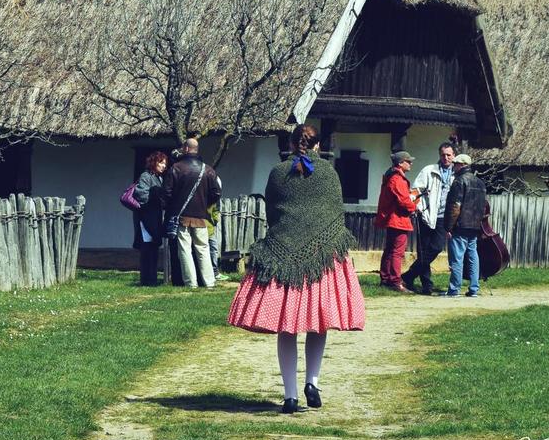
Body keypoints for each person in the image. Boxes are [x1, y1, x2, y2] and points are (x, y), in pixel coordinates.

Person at [228, 125, 366, 414]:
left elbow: (272, 212)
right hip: (321, 258)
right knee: (319, 323)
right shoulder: (328, 173)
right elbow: (336, 212)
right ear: (317, 145)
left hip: (283, 257)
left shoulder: (278, 172)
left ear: (291, 144)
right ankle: (312, 382)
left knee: (286, 327)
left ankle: (290, 396)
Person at [161, 137, 221, 288]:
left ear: (186, 149)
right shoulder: (208, 170)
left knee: (185, 250)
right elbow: (216, 193)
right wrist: (204, 204)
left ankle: (191, 283)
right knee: (203, 249)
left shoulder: (176, 168)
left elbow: (166, 193)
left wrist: (173, 206)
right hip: (201, 217)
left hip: (182, 217)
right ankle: (209, 282)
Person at [401, 142, 456, 295]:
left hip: (443, 217)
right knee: (423, 250)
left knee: (436, 248)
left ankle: (408, 275)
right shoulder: (429, 170)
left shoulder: (456, 174)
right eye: (443, 155)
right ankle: (427, 286)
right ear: (439, 155)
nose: (446, 158)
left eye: (449, 155)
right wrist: (418, 208)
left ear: (454, 156)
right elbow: (415, 190)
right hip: (426, 214)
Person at [443, 153, 488, 297]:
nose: (454, 166)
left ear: (462, 165)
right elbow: (483, 207)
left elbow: (455, 206)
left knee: (457, 258)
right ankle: (474, 289)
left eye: (456, 164)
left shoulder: (459, 181)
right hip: (475, 226)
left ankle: (454, 289)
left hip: (460, 225)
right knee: (473, 257)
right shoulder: (480, 183)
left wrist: (449, 227)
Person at [374, 151, 418, 293]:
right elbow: (403, 201)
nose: (410, 163)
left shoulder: (391, 176)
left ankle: (386, 279)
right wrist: (414, 205)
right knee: (397, 252)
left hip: (392, 218)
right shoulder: (397, 179)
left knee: (390, 250)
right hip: (398, 219)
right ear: (400, 163)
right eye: (408, 161)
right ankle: (395, 281)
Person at [133, 151, 168, 286]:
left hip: (155, 216)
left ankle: (152, 277)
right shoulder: (145, 176)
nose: (163, 166)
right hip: (146, 217)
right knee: (147, 247)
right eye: (161, 162)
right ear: (154, 162)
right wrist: (155, 195)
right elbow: (141, 195)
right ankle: (146, 279)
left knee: (154, 246)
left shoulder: (159, 178)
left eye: (165, 163)